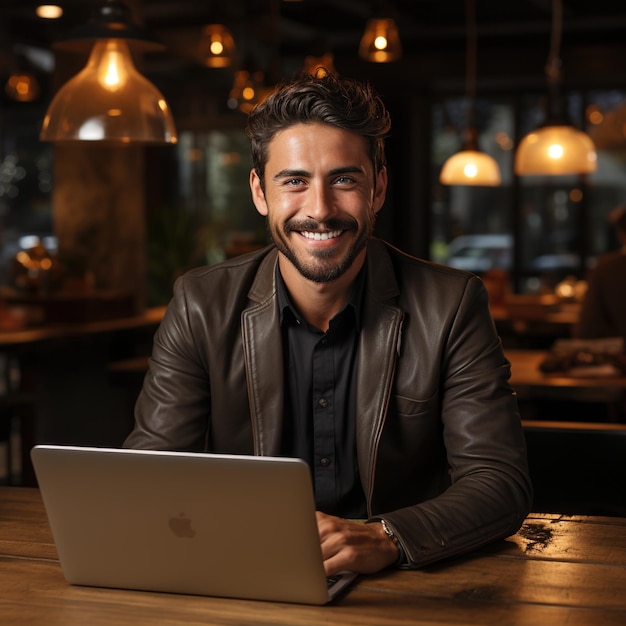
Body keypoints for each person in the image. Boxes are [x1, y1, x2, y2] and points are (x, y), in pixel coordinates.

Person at [124, 72, 532, 575]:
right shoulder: (199, 302)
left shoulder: (451, 304)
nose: (319, 210)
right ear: (259, 192)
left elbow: (498, 482)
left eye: (344, 179)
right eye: (294, 181)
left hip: (404, 587)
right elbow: (149, 476)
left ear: (378, 188)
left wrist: (385, 537)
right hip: (246, 570)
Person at [574, 205, 626, 343]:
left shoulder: (606, 268)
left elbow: (588, 327)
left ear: (620, 235)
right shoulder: (606, 268)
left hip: (617, 357)